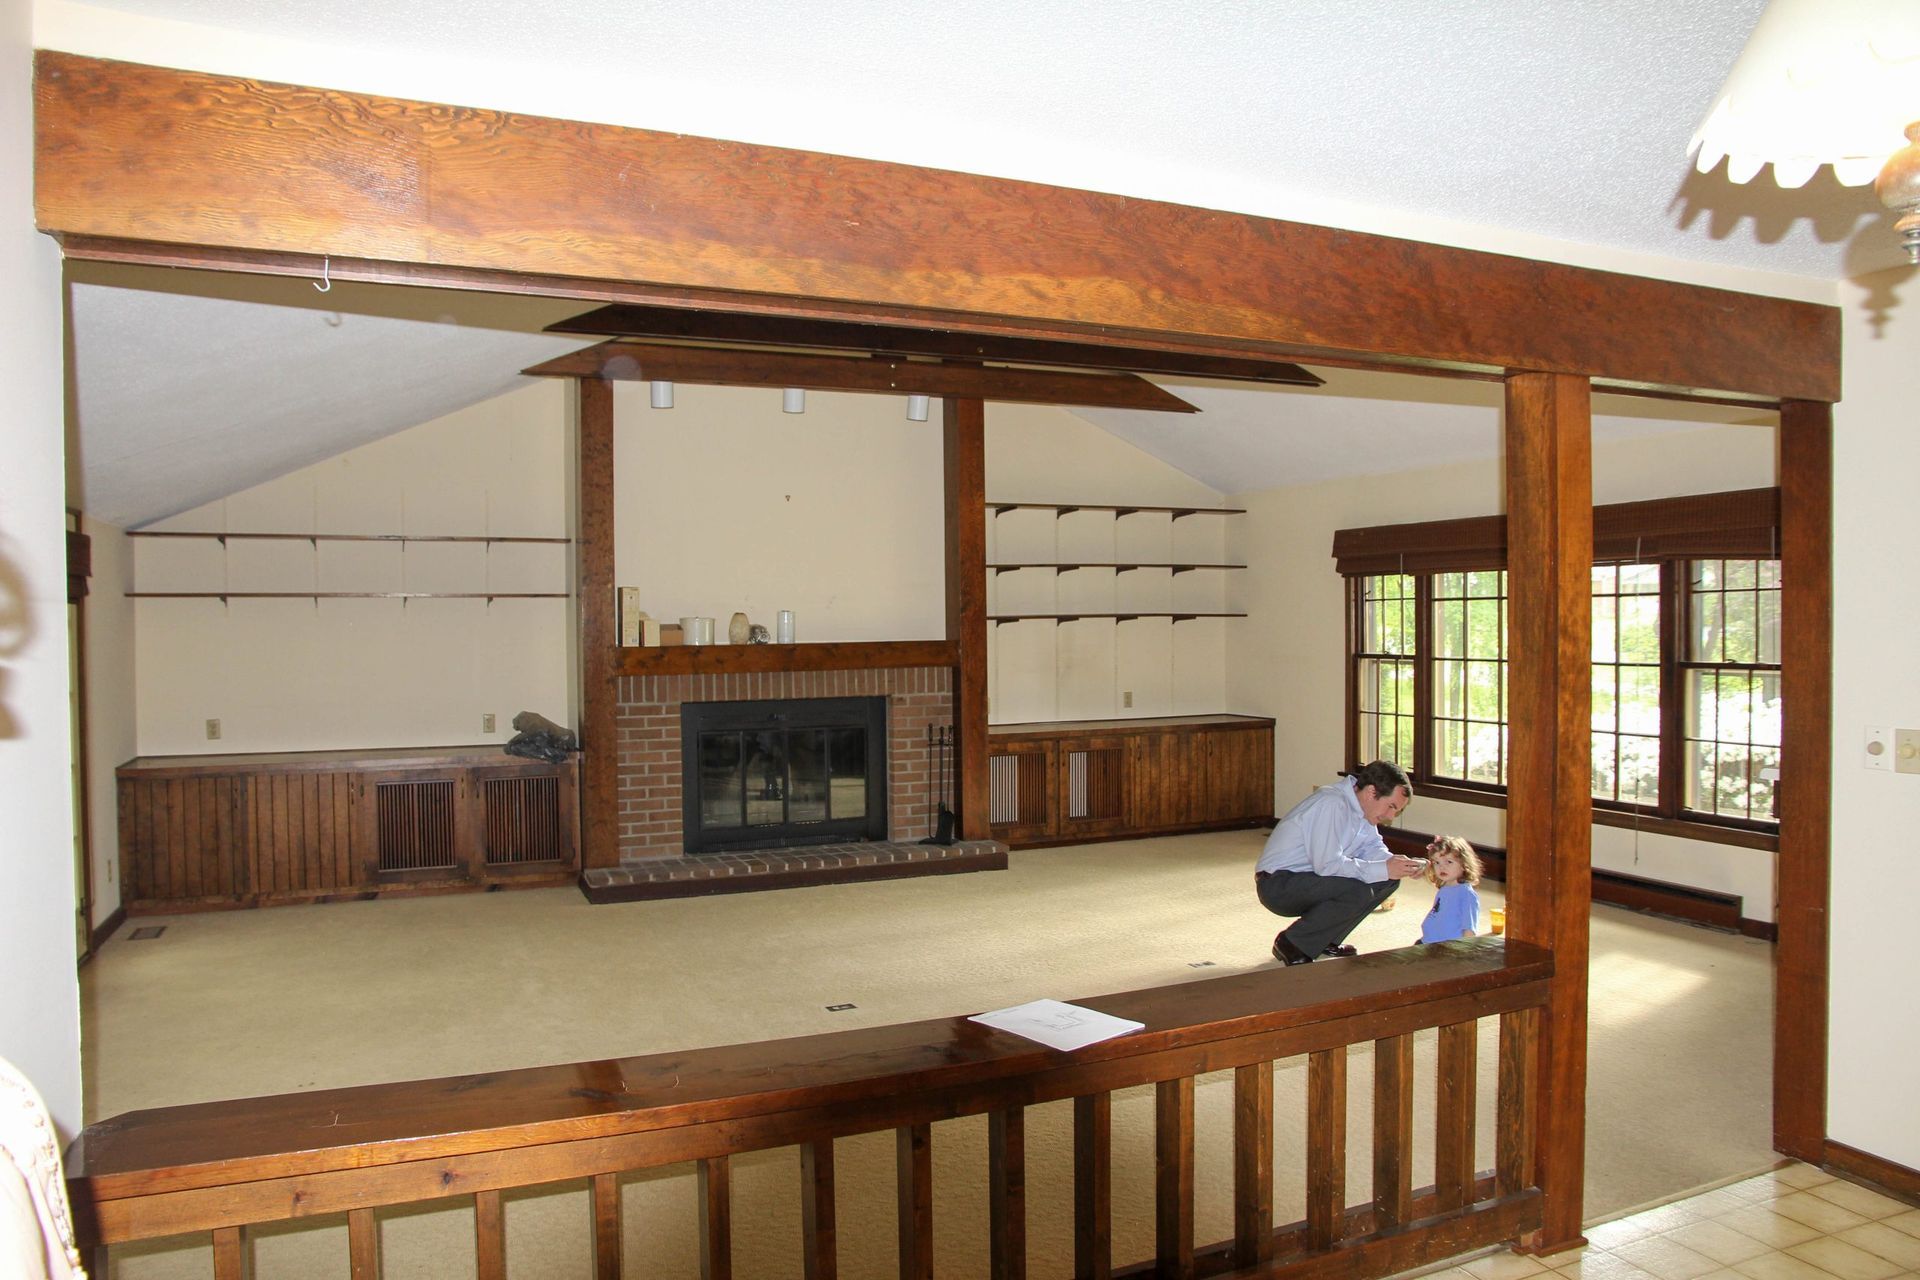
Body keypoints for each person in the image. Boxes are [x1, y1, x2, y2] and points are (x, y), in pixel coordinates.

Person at [1256, 761, 1425, 965]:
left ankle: (1324, 939)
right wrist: (1383, 868)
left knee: (1387, 880)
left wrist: (1396, 864)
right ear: (1372, 792)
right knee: (1358, 890)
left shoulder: (1363, 809)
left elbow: (1371, 847)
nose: (1390, 816)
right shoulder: (1332, 803)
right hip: (1278, 884)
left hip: (1311, 880)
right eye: (1391, 807)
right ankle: (1292, 943)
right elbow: (1327, 865)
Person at [1418, 835, 1484, 944]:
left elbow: (1469, 930)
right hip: (1428, 941)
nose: (1441, 867)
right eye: (1437, 862)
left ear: (1464, 864)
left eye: (1449, 862)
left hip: (1448, 948)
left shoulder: (1466, 894)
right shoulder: (1445, 888)